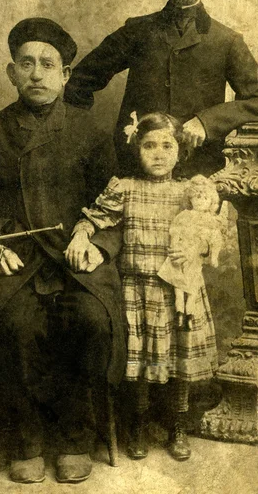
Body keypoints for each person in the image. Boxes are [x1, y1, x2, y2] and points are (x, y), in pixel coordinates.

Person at [0, 17, 125, 484]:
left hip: (75, 261)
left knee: (90, 320)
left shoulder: (90, 132)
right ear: (11, 73)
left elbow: (117, 204)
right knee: (16, 323)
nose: (36, 73)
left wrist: (97, 243)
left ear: (66, 75)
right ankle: (25, 439)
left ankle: (74, 437)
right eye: (26, 63)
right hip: (16, 261)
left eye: (48, 64)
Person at [66, 112, 218, 462]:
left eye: (168, 146)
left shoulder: (189, 192)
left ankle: (178, 424)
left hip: (179, 291)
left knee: (177, 363)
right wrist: (81, 233)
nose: (159, 153)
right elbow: (95, 216)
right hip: (137, 290)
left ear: (180, 151)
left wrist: (198, 247)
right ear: (136, 150)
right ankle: (137, 423)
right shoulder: (125, 188)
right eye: (149, 145)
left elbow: (214, 235)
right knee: (142, 367)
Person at [64, 0, 258, 178]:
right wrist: (92, 143)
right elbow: (79, 81)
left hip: (198, 172)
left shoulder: (226, 40)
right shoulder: (137, 31)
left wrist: (208, 122)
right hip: (135, 169)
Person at [158, 174, 224, 330]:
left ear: (211, 202)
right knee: (178, 285)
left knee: (193, 284)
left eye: (205, 198)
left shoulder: (210, 220)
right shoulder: (184, 215)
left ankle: (190, 313)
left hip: (195, 257)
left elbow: (216, 238)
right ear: (190, 199)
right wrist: (174, 246)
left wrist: (213, 255)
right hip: (180, 252)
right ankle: (179, 311)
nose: (201, 201)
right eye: (197, 197)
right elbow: (175, 230)